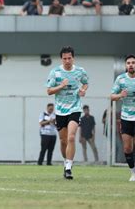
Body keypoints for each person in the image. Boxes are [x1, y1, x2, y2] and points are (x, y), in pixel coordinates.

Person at [46, 46, 89, 179]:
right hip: (60, 111)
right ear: (61, 59)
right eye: (64, 58)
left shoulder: (80, 71)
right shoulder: (55, 72)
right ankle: (66, 162)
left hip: (75, 109)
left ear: (73, 58)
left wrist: (83, 90)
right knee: (63, 140)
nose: (67, 61)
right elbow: (49, 91)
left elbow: (85, 83)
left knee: (71, 137)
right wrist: (61, 86)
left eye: (69, 58)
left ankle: (69, 167)